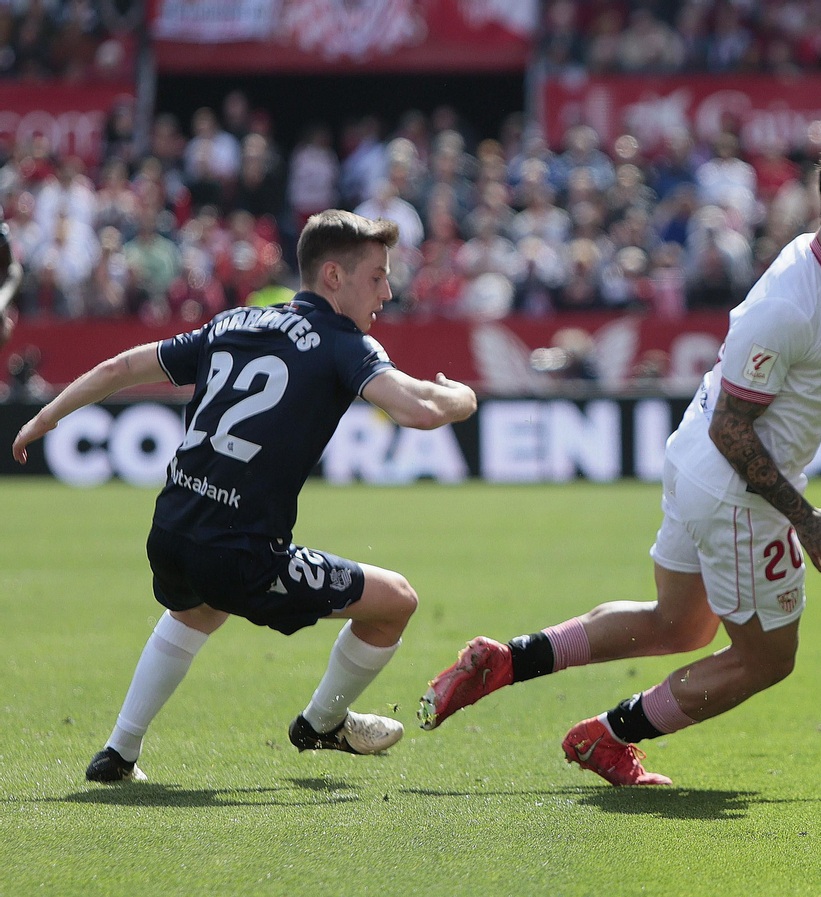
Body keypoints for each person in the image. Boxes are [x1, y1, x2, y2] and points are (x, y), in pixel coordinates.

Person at [417, 144, 821, 786]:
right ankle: (608, 736)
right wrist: (805, 518)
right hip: (738, 487)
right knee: (768, 657)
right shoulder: (788, 304)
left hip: (696, 463)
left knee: (678, 623)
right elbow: (734, 429)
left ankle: (505, 660)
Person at [10, 210, 478, 783]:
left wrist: (45, 415)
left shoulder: (235, 320)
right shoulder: (341, 341)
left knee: (198, 608)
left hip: (172, 529)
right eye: (377, 276)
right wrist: (464, 399)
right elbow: (419, 408)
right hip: (242, 552)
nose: (388, 290)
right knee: (397, 601)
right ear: (333, 276)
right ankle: (322, 723)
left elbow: (124, 365)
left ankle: (118, 752)